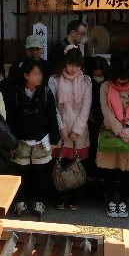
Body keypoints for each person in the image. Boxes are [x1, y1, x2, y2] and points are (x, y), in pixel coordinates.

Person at [6, 59, 59, 218]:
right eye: (35, 73)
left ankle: (39, 201)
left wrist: (54, 140)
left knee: (40, 174)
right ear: (26, 75)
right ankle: (20, 201)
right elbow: (10, 117)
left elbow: (52, 117)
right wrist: (11, 141)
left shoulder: (45, 92)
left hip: (41, 139)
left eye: (40, 73)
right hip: (20, 140)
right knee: (20, 173)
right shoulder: (15, 92)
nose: (39, 76)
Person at [96, 57, 129, 218]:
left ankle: (123, 201)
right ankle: (110, 200)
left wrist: (128, 128)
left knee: (126, 171)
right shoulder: (105, 86)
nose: (122, 82)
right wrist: (119, 130)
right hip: (111, 133)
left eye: (125, 79)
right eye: (119, 78)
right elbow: (105, 110)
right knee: (109, 170)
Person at [48, 48, 92, 211]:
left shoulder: (86, 81)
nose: (73, 69)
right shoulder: (54, 79)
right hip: (60, 127)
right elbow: (52, 107)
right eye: (70, 64)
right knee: (59, 163)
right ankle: (59, 196)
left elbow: (86, 107)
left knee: (75, 164)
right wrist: (60, 127)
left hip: (78, 130)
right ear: (65, 63)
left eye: (77, 66)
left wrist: (77, 130)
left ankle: (73, 197)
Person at [86, 56, 109, 190]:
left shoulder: (109, 82)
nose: (98, 73)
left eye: (101, 70)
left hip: (106, 123)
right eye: (96, 70)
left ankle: (102, 179)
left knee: (104, 150)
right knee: (92, 149)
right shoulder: (87, 81)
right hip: (91, 122)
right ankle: (91, 178)